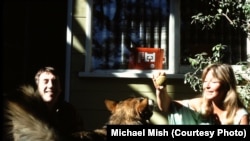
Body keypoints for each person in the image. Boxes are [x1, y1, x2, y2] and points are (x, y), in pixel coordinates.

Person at [152, 63, 249, 125]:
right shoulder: (200, 104)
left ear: (226, 85)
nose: (207, 86)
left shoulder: (240, 115)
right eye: (205, 81)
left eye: (214, 82)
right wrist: (161, 90)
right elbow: (166, 106)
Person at [34, 66, 84, 134]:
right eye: (45, 81)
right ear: (37, 87)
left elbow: (80, 134)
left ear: (60, 88)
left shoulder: (69, 111)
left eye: (55, 82)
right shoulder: (28, 110)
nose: (51, 85)